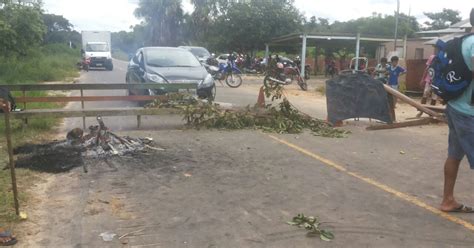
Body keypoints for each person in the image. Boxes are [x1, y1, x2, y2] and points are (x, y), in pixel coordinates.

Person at [440, 8, 474, 213]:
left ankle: (448, 200)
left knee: (454, 155)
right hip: (468, 113)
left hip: (455, 106)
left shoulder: (465, 40)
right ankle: (447, 200)